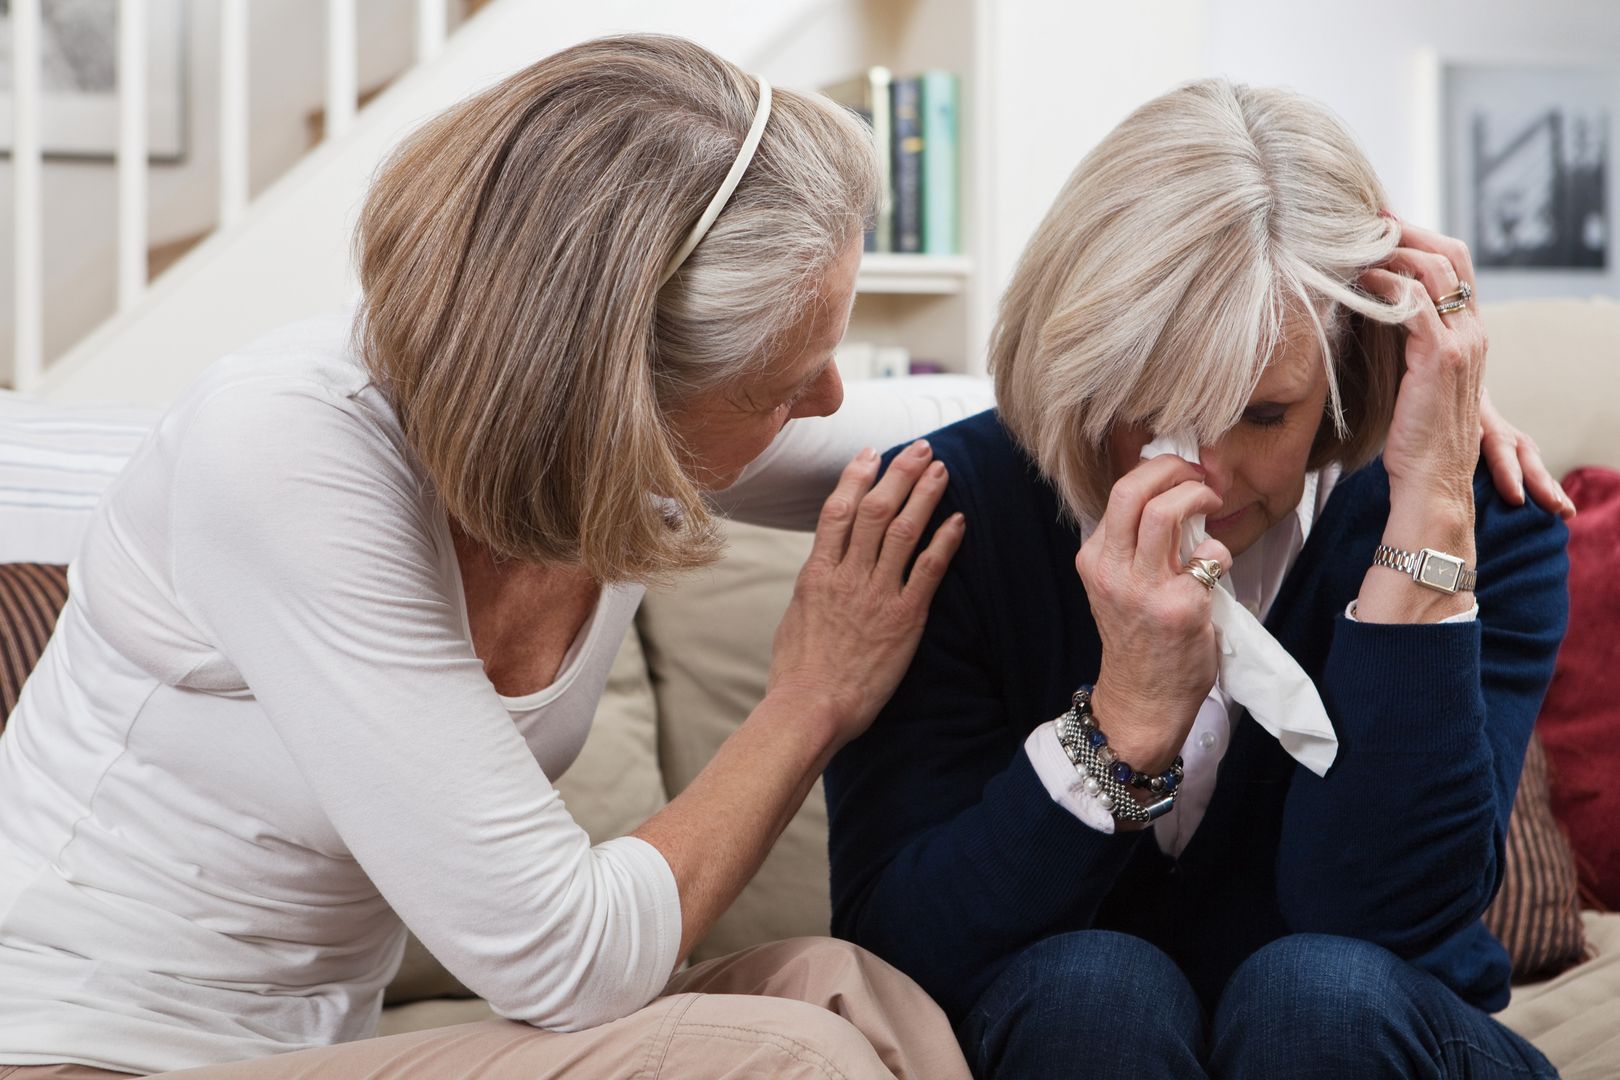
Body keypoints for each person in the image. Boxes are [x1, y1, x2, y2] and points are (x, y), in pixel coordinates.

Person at [0, 34, 987, 1080]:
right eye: (782, 385)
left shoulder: (599, 449)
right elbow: (568, 962)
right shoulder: (282, 450)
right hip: (75, 1053)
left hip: (308, 1052)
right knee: (787, 1057)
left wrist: (1151, 410)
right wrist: (813, 698)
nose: (828, 404)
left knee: (840, 987)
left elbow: (969, 430)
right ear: (614, 397)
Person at [824, 79, 1573, 1079]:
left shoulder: (1477, 513)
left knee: (1320, 995)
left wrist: (1425, 529)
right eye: (1153, 405)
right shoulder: (950, 517)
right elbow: (898, 954)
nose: (1210, 476)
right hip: (1076, 1037)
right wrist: (1124, 725)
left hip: (1379, 1038)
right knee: (1090, 993)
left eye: (1265, 415)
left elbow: (1387, 924)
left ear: (1350, 364)